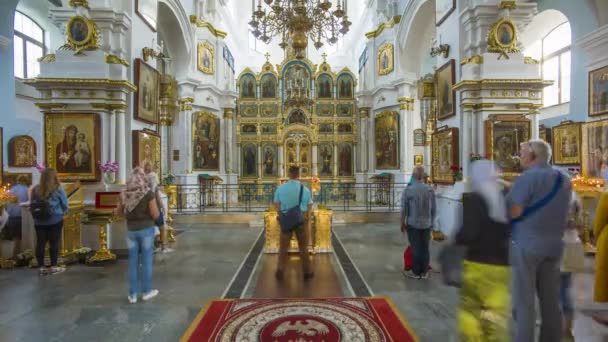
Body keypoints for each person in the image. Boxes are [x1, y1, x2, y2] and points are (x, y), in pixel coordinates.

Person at [508, 139, 571, 342]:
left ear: (533, 156)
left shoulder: (528, 178)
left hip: (527, 245)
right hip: (554, 245)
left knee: (524, 301)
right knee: (551, 300)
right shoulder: (564, 179)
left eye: (523, 152)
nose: (520, 156)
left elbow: (515, 212)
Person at [455, 160, 511, 341]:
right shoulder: (505, 197)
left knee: (471, 312)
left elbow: (469, 233)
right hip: (502, 265)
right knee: (496, 314)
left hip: (477, 264)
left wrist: (457, 239)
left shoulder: (473, 199)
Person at [114, 167, 161, 304]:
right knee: (146, 261)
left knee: (133, 263)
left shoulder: (124, 194)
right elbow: (155, 214)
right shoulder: (148, 194)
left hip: (131, 231)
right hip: (146, 230)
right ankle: (146, 292)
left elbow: (118, 213)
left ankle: (132, 294)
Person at [273, 166, 313, 280]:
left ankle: (280, 271)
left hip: (286, 221)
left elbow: (277, 205)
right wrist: (306, 217)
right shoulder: (304, 189)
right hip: (300, 221)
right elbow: (309, 206)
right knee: (303, 247)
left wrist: (281, 216)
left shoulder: (281, 188)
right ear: (298, 175)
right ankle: (307, 272)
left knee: (283, 248)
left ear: (289, 174)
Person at [400, 165, 436, 279]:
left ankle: (416, 272)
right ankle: (424, 271)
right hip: (427, 223)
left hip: (413, 223)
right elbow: (434, 209)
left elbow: (403, 208)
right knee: (425, 247)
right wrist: (432, 222)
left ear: (413, 176)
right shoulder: (429, 189)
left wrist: (402, 222)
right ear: (423, 176)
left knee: (415, 247)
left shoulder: (408, 190)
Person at [31, 168, 68, 276]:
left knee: (40, 243)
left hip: (39, 221)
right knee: (54, 243)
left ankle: (41, 267)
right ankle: (53, 267)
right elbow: (65, 204)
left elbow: (32, 204)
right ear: (54, 177)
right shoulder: (58, 189)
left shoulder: (36, 189)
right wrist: (63, 212)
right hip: (55, 219)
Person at [560, 191, 582, 338]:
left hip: (557, 245)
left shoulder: (553, 195)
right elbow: (577, 220)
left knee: (555, 290)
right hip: (573, 243)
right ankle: (568, 327)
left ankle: (560, 327)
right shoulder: (574, 196)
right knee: (567, 286)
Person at [1, 176, 30, 258]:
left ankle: (10, 256)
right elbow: (29, 203)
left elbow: (5, 204)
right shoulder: (27, 190)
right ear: (26, 181)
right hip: (20, 217)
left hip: (10, 217)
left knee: (13, 238)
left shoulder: (11, 190)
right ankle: (15, 257)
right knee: (18, 239)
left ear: (18, 181)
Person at [146, 170, 173, 254]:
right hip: (156, 210)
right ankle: (163, 247)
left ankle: (151, 247)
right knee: (162, 227)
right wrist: (163, 208)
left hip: (147, 211)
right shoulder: (155, 188)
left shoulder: (144, 187)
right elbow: (158, 198)